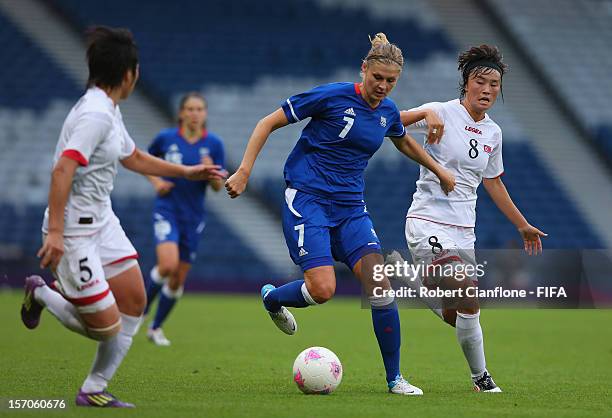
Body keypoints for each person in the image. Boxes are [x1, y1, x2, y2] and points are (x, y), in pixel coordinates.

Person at [225, 33, 456, 395]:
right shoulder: (331, 96)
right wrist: (243, 170)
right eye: (377, 77)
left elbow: (402, 138)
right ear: (363, 69)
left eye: (390, 81)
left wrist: (439, 170)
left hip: (351, 208)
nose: (382, 86)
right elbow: (267, 122)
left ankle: (395, 378)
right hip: (308, 199)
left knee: (379, 285)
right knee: (323, 290)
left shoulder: (387, 112)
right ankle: (272, 299)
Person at [20, 26, 225, 408]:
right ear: (128, 74)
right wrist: (57, 234)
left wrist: (187, 172)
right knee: (107, 329)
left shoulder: (108, 110)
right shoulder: (95, 115)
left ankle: (93, 389)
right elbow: (63, 169)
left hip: (103, 224)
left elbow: (133, 157)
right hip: (74, 235)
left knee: (134, 301)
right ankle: (43, 294)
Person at [398, 44, 547, 392]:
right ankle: (481, 378)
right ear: (466, 83)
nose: (488, 89)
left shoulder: (493, 133)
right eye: (481, 81)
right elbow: (387, 120)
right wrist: (424, 117)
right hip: (427, 222)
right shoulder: (441, 112)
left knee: (462, 312)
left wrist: (521, 224)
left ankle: (421, 288)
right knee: (466, 287)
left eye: (494, 83)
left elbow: (492, 182)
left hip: (465, 231)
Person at [143, 92, 225, 346]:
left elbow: (217, 188)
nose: (194, 113)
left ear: (205, 114)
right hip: (167, 209)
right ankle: (138, 313)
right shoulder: (166, 139)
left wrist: (212, 171)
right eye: (189, 109)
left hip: (193, 217)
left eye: (199, 109)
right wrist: (157, 182)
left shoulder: (213, 144)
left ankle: (155, 327)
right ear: (181, 113)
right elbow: (146, 162)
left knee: (178, 278)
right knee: (167, 265)